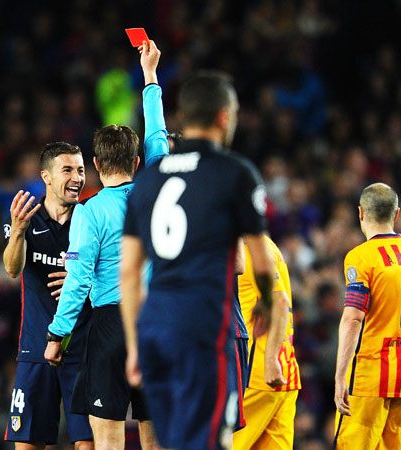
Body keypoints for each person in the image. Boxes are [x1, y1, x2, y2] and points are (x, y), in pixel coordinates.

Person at [120, 69, 275, 450]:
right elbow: (260, 260)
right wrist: (268, 303)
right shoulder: (235, 172)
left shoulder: (149, 179)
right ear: (225, 116)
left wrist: (135, 344)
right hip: (204, 330)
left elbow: (128, 272)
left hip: (156, 329)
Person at [44, 40, 167, 449]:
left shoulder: (89, 212)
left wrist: (57, 335)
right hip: (157, 322)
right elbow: (158, 138)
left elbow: (77, 278)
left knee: (108, 440)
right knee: (156, 437)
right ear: (137, 163)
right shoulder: (157, 190)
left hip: (111, 325)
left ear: (96, 165)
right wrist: (150, 77)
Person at [2, 142, 93, 449]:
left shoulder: (92, 220)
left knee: (88, 444)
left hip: (82, 351)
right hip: (36, 349)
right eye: (67, 170)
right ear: (46, 176)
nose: (76, 178)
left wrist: (82, 278)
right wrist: (16, 232)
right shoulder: (29, 219)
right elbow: (12, 269)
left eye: (80, 170)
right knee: (27, 444)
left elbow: (116, 276)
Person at [333, 182, 401, 450]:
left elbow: (354, 317)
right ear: (397, 214)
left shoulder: (361, 257)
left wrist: (340, 376)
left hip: (371, 375)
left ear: (361, 213)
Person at [233, 237, 301, 450]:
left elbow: (280, 302)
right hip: (284, 370)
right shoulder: (267, 245)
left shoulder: (250, 250)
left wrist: (270, 359)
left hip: (257, 372)